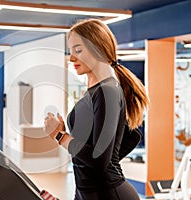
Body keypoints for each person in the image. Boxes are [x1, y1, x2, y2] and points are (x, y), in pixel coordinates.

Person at [44, 19, 149, 200]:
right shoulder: (97, 92)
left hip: (109, 194)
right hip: (88, 192)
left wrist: (60, 136)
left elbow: (99, 159)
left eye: (78, 50)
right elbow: (130, 138)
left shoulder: (107, 91)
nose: (71, 58)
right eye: (71, 51)